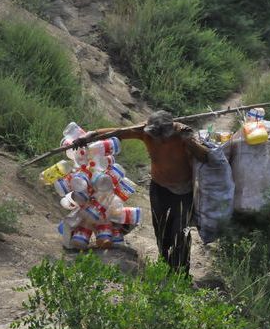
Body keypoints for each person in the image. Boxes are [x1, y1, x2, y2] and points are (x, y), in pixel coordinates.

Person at [75, 111, 209, 275]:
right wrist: (90, 135)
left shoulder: (182, 135)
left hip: (184, 191)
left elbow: (206, 157)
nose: (159, 139)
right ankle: (165, 267)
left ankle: (182, 274)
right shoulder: (145, 133)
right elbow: (118, 132)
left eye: (162, 136)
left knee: (180, 232)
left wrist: (191, 143)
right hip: (159, 188)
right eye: (155, 135)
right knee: (162, 229)